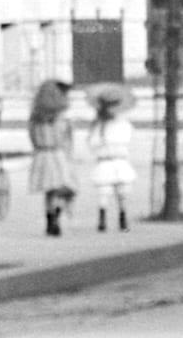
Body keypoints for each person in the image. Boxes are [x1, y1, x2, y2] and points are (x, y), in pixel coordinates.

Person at [28, 80, 77, 237]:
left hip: (42, 154)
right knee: (62, 188)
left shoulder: (35, 117)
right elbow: (68, 138)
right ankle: (57, 215)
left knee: (49, 191)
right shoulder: (62, 116)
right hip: (58, 154)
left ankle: (49, 218)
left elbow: (32, 137)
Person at [86, 88, 136, 233]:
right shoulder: (107, 125)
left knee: (116, 192)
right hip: (112, 160)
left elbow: (93, 143)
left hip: (112, 160)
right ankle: (113, 220)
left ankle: (114, 219)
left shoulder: (105, 125)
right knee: (111, 192)